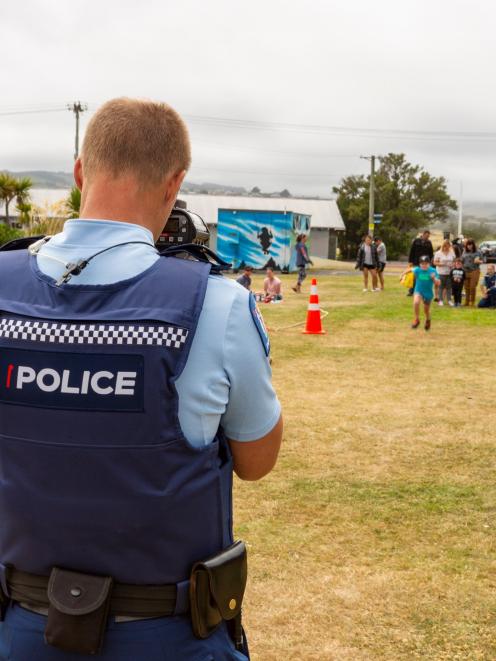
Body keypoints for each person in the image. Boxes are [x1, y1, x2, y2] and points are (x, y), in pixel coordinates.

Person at [0, 98, 283, 661]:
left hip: (21, 622)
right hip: (165, 632)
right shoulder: (218, 305)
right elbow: (256, 461)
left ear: (80, 171)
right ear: (175, 183)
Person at [401, 256, 440, 330]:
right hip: (418, 290)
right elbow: (409, 270)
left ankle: (428, 320)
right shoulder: (417, 270)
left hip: (428, 293)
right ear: (419, 264)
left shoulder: (433, 271)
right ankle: (416, 319)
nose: (424, 265)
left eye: (426, 263)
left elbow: (438, 283)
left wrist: (433, 278)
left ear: (429, 264)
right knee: (416, 302)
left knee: (426, 310)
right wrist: (402, 275)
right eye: (422, 264)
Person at [407, 230, 434, 296]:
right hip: (416, 261)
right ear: (423, 234)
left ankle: (421, 291)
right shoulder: (416, 241)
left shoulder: (429, 242)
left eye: (428, 236)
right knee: (414, 276)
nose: (427, 237)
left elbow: (431, 254)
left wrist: (430, 262)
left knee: (423, 276)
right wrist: (410, 261)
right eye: (427, 236)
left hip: (425, 263)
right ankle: (411, 291)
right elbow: (412, 251)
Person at [433, 239, 455, 306]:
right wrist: (441, 264)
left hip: (449, 272)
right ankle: (440, 300)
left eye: (448, 246)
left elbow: (454, 261)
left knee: (449, 287)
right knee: (441, 287)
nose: (446, 247)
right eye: (445, 246)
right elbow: (434, 262)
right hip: (440, 272)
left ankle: (449, 300)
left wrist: (453, 265)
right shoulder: (438, 253)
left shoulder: (452, 253)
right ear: (443, 245)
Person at [461, 238, 483, 306]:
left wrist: (478, 261)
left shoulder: (478, 252)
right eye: (468, 245)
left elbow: (482, 260)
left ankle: (472, 302)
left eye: (471, 245)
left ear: (473, 245)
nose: (469, 246)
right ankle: (466, 302)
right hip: (465, 271)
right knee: (466, 287)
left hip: (474, 271)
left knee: (472, 287)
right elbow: (462, 260)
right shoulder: (464, 251)